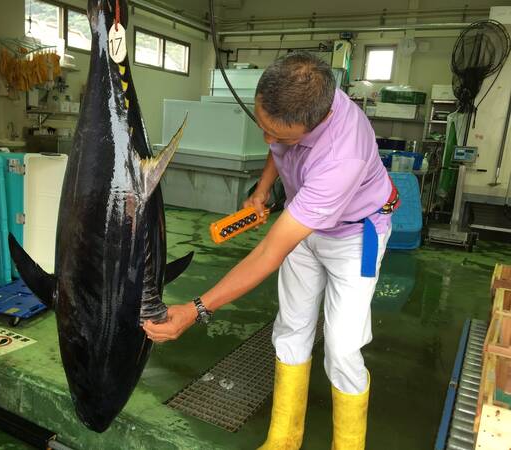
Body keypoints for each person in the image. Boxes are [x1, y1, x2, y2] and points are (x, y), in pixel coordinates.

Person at [143, 51, 398, 450]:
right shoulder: (301, 103)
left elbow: (267, 254)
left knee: (342, 347)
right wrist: (263, 189)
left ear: (318, 122)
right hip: (304, 221)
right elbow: (278, 148)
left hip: (352, 237)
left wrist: (196, 309)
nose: (268, 139)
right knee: (291, 328)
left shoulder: (341, 157)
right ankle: (283, 438)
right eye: (262, 127)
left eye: (280, 135)